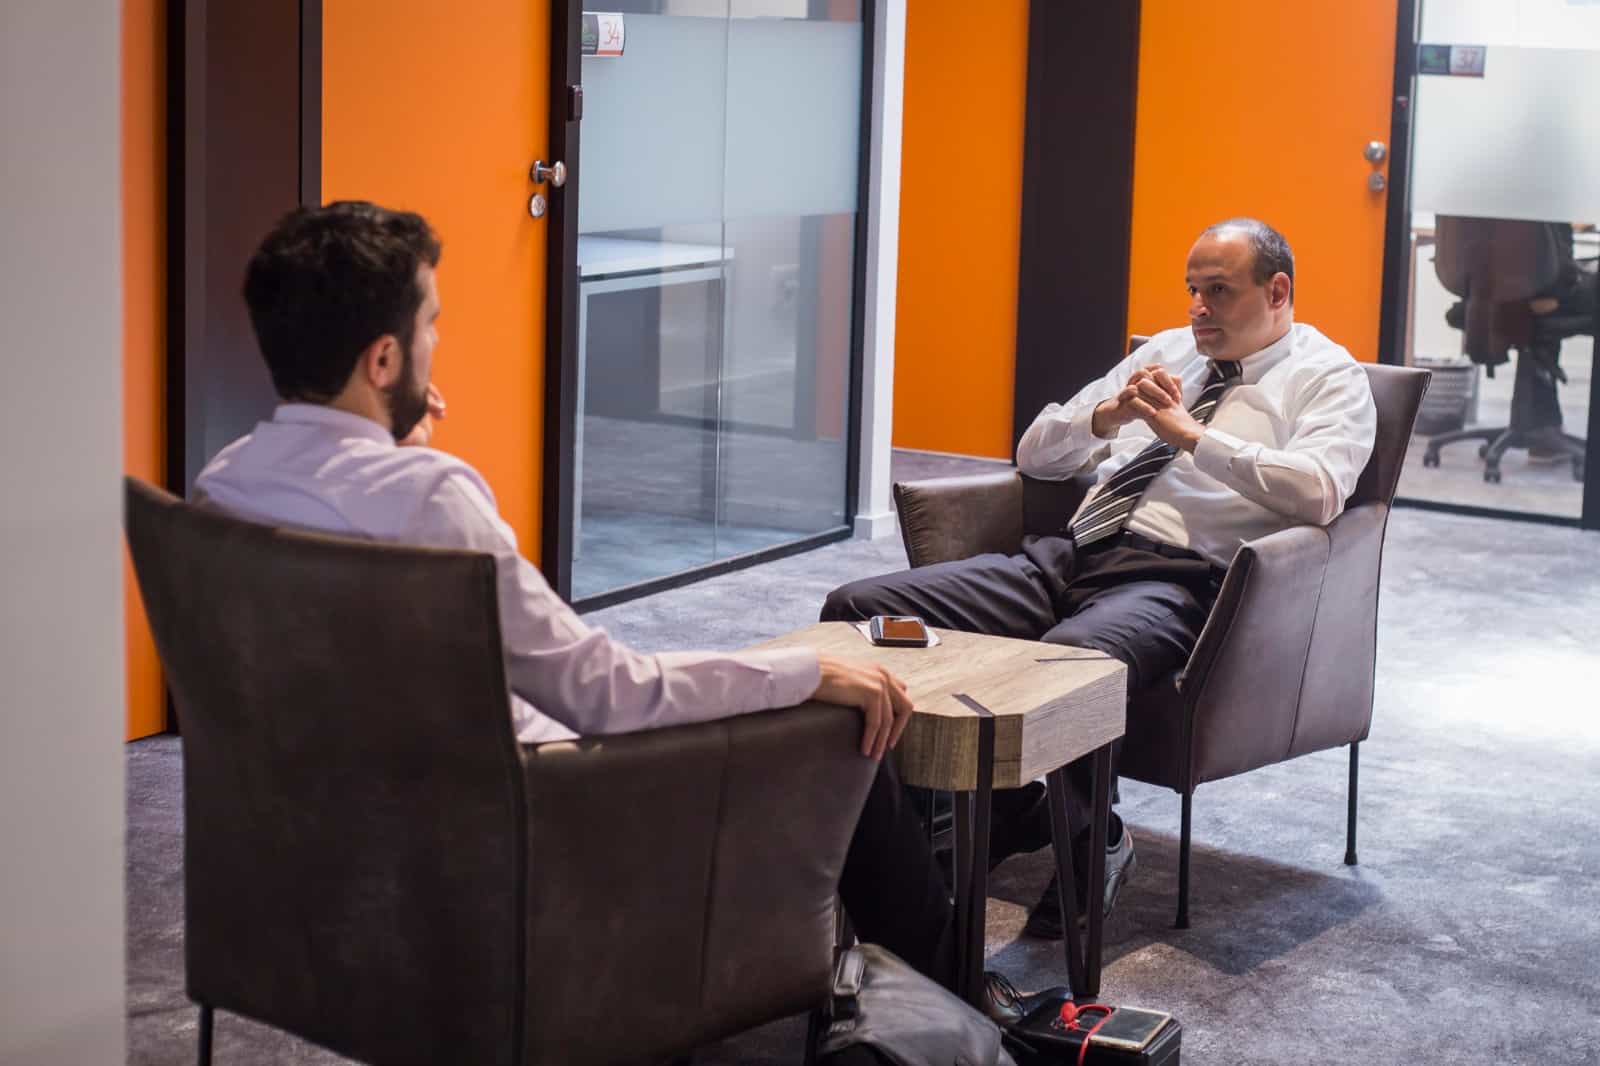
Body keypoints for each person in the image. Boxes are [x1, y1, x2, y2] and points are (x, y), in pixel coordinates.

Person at [195, 201, 993, 1001]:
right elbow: (607, 693)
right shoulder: (429, 499)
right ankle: (959, 1012)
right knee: (846, 730)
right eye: (430, 325)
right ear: (382, 360)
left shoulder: (225, 485)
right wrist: (806, 671)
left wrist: (392, 445)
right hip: (543, 825)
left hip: (348, 848)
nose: (436, 344)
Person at [822, 218, 1378, 939]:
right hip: (1069, 557)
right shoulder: (1167, 351)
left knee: (1073, 658)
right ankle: (956, 817)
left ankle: (1093, 839)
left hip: (1177, 581)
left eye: (1218, 291)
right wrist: (1106, 418)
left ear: (1277, 292)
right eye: (1192, 290)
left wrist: (1191, 436)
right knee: (859, 610)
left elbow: (1319, 492)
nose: (1197, 309)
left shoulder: (1329, 378)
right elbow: (1035, 457)